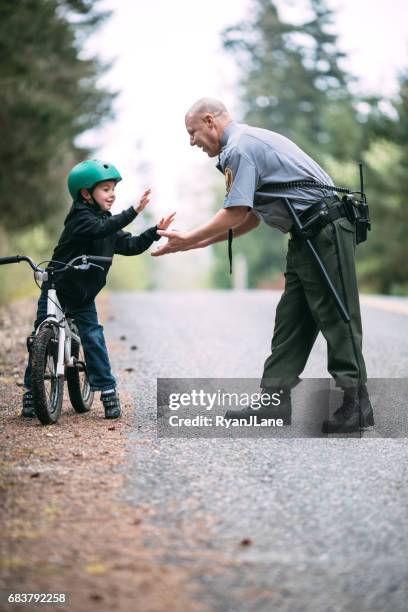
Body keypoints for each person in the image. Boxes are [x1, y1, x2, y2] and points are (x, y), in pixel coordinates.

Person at [152, 97, 373, 434]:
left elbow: (236, 213)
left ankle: (357, 404)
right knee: (291, 320)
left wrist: (190, 238)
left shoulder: (240, 148)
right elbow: (250, 219)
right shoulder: (240, 148)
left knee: (336, 314)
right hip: (305, 235)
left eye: (192, 132)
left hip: (324, 230)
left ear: (210, 121)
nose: (191, 141)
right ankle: (275, 401)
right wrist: (191, 244)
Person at [22, 159, 175, 420]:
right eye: (105, 189)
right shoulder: (80, 219)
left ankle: (107, 391)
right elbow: (100, 228)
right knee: (40, 337)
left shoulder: (107, 223)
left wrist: (155, 231)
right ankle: (31, 391)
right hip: (56, 287)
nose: (112, 193)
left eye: (113, 188)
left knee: (93, 338)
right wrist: (133, 211)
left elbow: (131, 245)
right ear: (85, 193)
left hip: (83, 295)